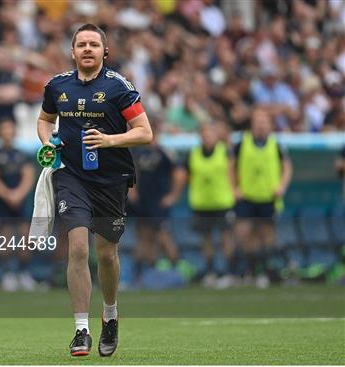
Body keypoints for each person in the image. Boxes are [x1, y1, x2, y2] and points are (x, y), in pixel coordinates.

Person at [36, 24, 152, 357]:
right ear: (72, 52)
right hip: (71, 178)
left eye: (94, 44)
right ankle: (81, 330)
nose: (87, 49)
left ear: (105, 52)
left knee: (106, 255)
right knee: (76, 249)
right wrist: (48, 143)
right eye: (81, 44)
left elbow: (145, 132)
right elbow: (45, 120)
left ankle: (111, 315)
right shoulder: (57, 86)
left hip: (111, 181)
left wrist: (109, 140)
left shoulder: (119, 88)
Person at [232, 107, 292, 289]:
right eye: (257, 121)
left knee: (267, 236)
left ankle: (266, 271)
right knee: (244, 234)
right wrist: (235, 187)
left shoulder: (277, 144)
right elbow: (230, 166)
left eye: (264, 122)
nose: (260, 125)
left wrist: (282, 186)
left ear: (270, 125)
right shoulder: (242, 143)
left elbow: (287, 168)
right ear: (252, 124)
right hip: (247, 197)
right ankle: (251, 270)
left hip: (268, 197)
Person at [179, 123, 237, 289]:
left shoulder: (226, 151)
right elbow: (188, 176)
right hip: (201, 203)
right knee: (207, 240)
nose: (207, 136)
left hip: (222, 202)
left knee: (226, 238)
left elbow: (233, 173)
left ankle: (228, 272)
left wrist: (234, 190)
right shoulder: (193, 154)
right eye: (204, 133)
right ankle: (211, 271)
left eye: (210, 133)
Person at [0, 118, 36, 291]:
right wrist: (8, 195)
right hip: (1, 203)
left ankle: (24, 274)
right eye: (4, 129)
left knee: (25, 238)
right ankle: (7, 274)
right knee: (5, 240)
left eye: (10, 129)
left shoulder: (22, 155)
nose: (7, 133)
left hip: (20, 203)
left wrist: (18, 194)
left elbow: (28, 176)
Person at [129, 121, 182, 286]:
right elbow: (132, 170)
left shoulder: (165, 153)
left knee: (163, 236)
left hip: (158, 202)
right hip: (142, 202)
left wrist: (173, 195)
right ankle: (142, 275)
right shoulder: (137, 151)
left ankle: (177, 271)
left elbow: (179, 172)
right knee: (144, 237)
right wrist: (132, 189)